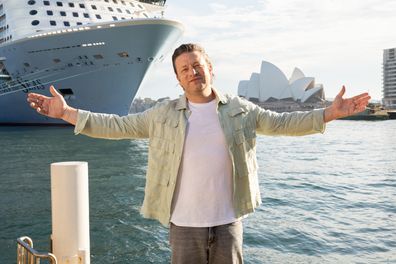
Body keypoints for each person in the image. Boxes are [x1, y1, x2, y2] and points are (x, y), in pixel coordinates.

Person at [27, 43, 370, 264]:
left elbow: (282, 123)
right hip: (184, 224)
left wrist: (329, 113)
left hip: (228, 221)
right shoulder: (162, 114)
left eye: (197, 64)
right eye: (185, 69)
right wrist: (68, 113)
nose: (193, 72)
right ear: (178, 80)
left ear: (211, 68)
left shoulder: (240, 110)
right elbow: (118, 126)